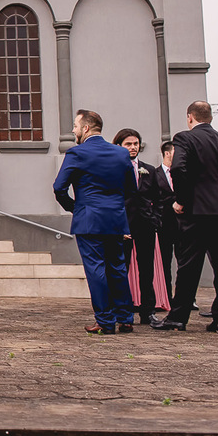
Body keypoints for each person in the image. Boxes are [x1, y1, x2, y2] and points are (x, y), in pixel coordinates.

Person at [151, 101, 218, 333]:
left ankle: (178, 318)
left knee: (188, 265)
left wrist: (181, 200)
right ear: (209, 118)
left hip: (196, 211)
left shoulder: (185, 138)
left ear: (190, 117)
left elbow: (178, 168)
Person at [52, 109, 136, 335]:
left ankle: (105, 321)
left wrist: (75, 208)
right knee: (118, 267)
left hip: (88, 219)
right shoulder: (121, 154)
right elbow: (131, 189)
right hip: (115, 220)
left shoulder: (77, 153)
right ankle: (125, 318)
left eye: (76, 126)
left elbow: (59, 187)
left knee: (96, 269)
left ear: (86, 128)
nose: (73, 130)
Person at [112, 127, 168, 324]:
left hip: (145, 225)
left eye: (136, 144)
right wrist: (118, 226)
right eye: (128, 144)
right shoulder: (114, 169)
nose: (133, 147)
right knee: (121, 269)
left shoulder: (149, 170)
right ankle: (122, 311)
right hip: (123, 226)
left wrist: (155, 220)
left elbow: (158, 199)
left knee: (147, 270)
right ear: (119, 146)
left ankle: (148, 312)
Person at [155, 140, 181, 306]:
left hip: (182, 224)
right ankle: (167, 297)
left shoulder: (182, 173)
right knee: (164, 263)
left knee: (184, 262)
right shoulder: (154, 174)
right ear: (167, 153)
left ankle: (185, 298)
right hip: (163, 224)